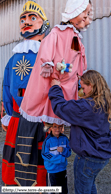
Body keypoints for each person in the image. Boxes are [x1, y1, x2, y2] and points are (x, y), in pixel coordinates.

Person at [19, 0, 94, 126]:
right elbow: (47, 45)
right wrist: (47, 62)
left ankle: (58, 133)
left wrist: (81, 72)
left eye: (87, 14)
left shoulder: (76, 37)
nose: (86, 17)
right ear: (73, 12)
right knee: (47, 98)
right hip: (57, 77)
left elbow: (79, 56)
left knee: (65, 106)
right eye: (83, 13)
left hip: (69, 80)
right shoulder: (58, 32)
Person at [1, 0, 50, 186]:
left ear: (43, 24)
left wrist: (10, 113)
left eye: (32, 17)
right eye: (22, 19)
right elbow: (8, 88)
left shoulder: (38, 56)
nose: (26, 21)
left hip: (29, 119)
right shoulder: (20, 57)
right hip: (33, 119)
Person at [48, 70, 111, 194]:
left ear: (92, 85)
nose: (82, 91)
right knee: (90, 187)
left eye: (83, 87)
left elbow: (60, 107)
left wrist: (55, 87)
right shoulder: (103, 102)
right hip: (101, 155)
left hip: (88, 158)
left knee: (82, 191)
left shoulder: (86, 106)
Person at [41, 123, 71, 194]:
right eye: (55, 127)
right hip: (52, 170)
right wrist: (60, 159)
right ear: (50, 128)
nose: (57, 129)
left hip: (62, 169)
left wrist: (64, 150)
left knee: (63, 189)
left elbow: (69, 152)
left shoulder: (65, 138)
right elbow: (45, 154)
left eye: (60, 127)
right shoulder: (47, 140)